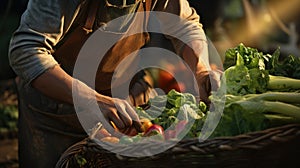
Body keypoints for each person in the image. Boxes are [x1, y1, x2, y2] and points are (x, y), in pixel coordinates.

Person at [8, 0, 220, 167]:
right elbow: (25, 51)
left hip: (127, 111)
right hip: (58, 115)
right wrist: (92, 100)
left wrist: (201, 70)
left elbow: (185, 26)